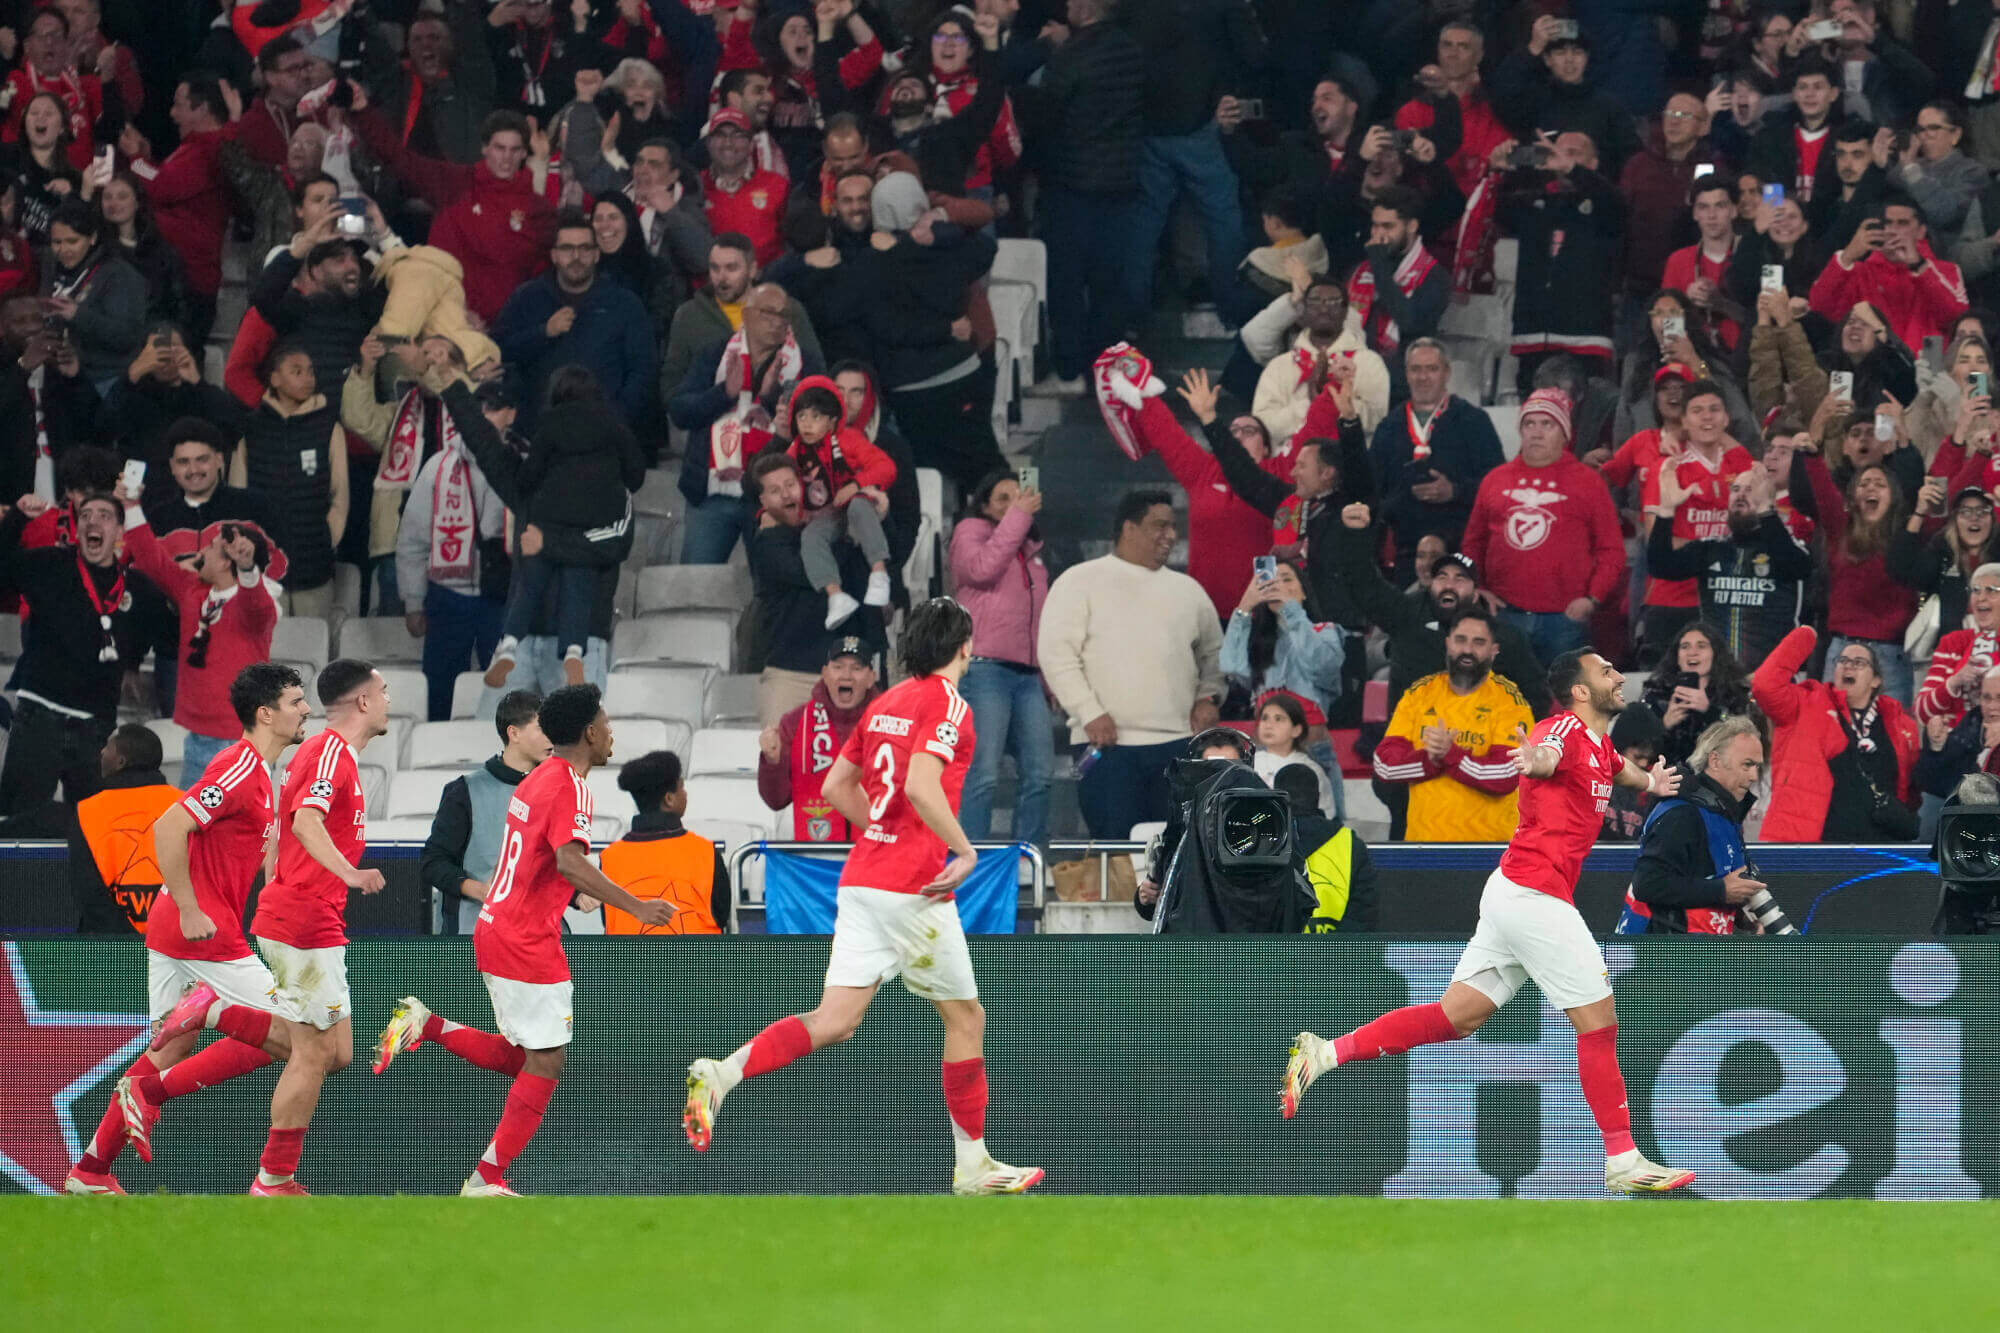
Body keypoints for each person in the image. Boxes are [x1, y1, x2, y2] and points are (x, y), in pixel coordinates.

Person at [1282, 648, 1697, 1195]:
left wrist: (1651, 784)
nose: (1619, 675)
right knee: (1599, 1024)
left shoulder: (1600, 745)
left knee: (1457, 1017)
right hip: (1535, 894)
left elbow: (1618, 769)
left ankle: (1325, 1051)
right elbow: (1548, 755)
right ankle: (1623, 1159)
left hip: (1512, 891)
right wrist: (1535, 762)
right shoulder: (1563, 731)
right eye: (1606, 671)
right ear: (1579, 691)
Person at [681, 597, 1042, 1195]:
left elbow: (833, 786)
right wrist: (964, 851)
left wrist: (881, 825)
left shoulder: (886, 703)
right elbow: (924, 785)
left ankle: (722, 1073)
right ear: (964, 647)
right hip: (911, 887)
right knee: (966, 1017)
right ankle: (973, 1164)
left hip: (864, 879)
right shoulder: (949, 703)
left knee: (836, 1021)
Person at [372, 684, 674, 1196]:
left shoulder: (538, 779)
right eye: (606, 721)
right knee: (547, 1059)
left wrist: (567, 894)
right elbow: (568, 860)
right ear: (589, 732)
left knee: (531, 1055)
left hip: (505, 927)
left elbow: (540, 862)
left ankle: (428, 1025)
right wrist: (636, 906)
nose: (611, 732)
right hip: (523, 936)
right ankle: (485, 1178)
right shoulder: (570, 786)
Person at [62, 664, 308, 1196]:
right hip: (201, 929)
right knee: (296, 1037)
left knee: (169, 1049)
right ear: (266, 714)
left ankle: (92, 1171)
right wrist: (195, 908)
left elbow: (251, 849)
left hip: (176, 929)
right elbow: (171, 825)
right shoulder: (238, 765)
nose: (305, 709)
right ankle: (190, 1037)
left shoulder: (266, 773)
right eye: (296, 701)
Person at [239, 660, 391, 1195]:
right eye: (384, 692)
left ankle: (222, 1012)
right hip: (304, 918)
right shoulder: (329, 752)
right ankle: (273, 1179)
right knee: (313, 1052)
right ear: (365, 703)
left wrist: (276, 886)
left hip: (305, 913)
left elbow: (279, 831)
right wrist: (348, 874)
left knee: (339, 1053)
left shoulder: (328, 755)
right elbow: (304, 819)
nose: (389, 700)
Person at [1039, 490, 1225, 840]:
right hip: (1104, 747)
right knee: (1115, 852)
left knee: (1178, 850)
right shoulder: (1079, 582)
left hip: (1178, 744)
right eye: (1160, 525)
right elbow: (1056, 654)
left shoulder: (1189, 591)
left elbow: (1214, 655)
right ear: (1129, 528)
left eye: (1173, 527)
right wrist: (1089, 711)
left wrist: (1208, 697)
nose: (1171, 535)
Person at [484, 366, 645, 688]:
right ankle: (573, 652)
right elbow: (636, 475)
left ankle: (509, 646)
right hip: (589, 523)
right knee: (578, 588)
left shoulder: (550, 424)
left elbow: (529, 476)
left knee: (530, 585)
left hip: (548, 519)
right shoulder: (614, 426)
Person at [1014, 0, 1141, 390]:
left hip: (1071, 185)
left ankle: (1070, 366)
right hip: (1122, 183)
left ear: (1085, 8)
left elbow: (1044, 116)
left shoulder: (1069, 58)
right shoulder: (1132, 51)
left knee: (1067, 281)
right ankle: (1108, 364)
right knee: (1110, 282)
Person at [0, 489, 150, 814]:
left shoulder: (135, 586)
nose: (92, 521)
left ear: (119, 533)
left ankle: (74, 868)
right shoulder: (49, 563)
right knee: (22, 825)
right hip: (39, 718)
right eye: (85, 515)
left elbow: (156, 629)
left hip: (96, 730)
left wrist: (133, 662)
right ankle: (30, 869)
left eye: (104, 516)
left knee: (92, 832)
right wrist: (16, 519)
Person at [119, 485, 279, 780]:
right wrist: (130, 505)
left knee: (240, 828)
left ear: (224, 561)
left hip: (244, 745)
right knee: (191, 827)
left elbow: (258, 609)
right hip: (198, 740)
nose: (201, 551)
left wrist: (247, 568)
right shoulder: (192, 591)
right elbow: (152, 558)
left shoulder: (254, 602)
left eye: (211, 546)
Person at [1461, 390, 1627, 664]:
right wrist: (1477, 587)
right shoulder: (1494, 480)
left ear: (1565, 433)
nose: (1536, 433)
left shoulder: (1588, 482)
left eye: (1547, 424)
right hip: (1504, 615)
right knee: (1502, 702)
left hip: (1564, 621)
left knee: (1564, 704)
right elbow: (1472, 543)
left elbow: (1611, 550)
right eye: (1530, 424)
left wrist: (1592, 599)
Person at [671, 274, 826, 565]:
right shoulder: (715, 356)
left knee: (770, 587)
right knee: (696, 584)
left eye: (784, 315)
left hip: (772, 499)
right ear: (747, 314)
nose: (777, 321)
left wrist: (771, 396)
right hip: (713, 497)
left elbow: (817, 426)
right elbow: (680, 411)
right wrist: (723, 393)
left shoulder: (805, 364)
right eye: (768, 312)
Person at [948, 471, 1051, 847]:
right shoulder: (970, 532)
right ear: (985, 506)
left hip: (1027, 675)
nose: (1013, 506)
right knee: (984, 773)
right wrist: (1020, 516)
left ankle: (1027, 858)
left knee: (1040, 773)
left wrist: (1046, 678)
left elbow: (1038, 621)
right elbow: (979, 569)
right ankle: (970, 858)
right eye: (1003, 499)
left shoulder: (1030, 555)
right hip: (984, 667)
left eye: (1018, 497)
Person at [1372, 605, 1536, 842]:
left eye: (1478, 642)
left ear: (1494, 651)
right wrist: (1431, 760)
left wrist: (1451, 755)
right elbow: (1384, 765)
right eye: (1461, 640)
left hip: (1490, 850)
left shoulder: (1511, 702)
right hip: (1423, 847)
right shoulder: (1419, 694)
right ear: (1448, 643)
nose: (1467, 650)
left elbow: (1507, 774)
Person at [395, 386, 509, 722]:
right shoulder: (437, 467)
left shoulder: (520, 463)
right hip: (448, 596)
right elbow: (412, 540)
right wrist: (414, 602)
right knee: (440, 690)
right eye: (479, 413)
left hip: (500, 595)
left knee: (506, 695)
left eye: (493, 411)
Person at [745, 452, 883, 727]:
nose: (786, 495)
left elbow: (884, 553)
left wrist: (876, 513)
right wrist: (843, 534)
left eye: (790, 484)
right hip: (790, 674)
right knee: (780, 763)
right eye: (775, 490)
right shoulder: (768, 542)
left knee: (854, 767)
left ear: (805, 485)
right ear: (763, 502)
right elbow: (808, 573)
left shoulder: (832, 529)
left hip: (847, 675)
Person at [1752, 625, 1921, 841]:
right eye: (1842, 661)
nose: (1848, 666)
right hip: (1814, 844)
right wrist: (1805, 636)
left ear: (1876, 680)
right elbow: (1765, 686)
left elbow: (1910, 791)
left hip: (1880, 847)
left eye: (1858, 662)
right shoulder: (1806, 703)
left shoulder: (1902, 724)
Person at [491, 210, 657, 428]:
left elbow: (643, 370)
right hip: (538, 435)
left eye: (585, 248)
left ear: (597, 255)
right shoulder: (527, 298)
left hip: (604, 434)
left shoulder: (624, 302)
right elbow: (498, 352)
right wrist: (543, 333)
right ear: (554, 255)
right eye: (567, 248)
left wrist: (618, 417)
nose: (576, 257)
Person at [1642, 461, 1813, 668]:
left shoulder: (1788, 549)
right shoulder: (1711, 549)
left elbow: (1795, 567)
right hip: (1718, 682)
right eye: (1736, 489)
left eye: (1750, 490)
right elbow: (1660, 566)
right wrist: (1666, 511)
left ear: (1768, 500)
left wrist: (1766, 512)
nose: (1740, 495)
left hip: (1770, 681)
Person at [1634, 380, 1756, 661]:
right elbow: (1658, 540)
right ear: (1684, 421)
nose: (1707, 416)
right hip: (1672, 599)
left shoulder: (1740, 464)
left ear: (1726, 418)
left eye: (1714, 409)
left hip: (1727, 599)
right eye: (1697, 410)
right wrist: (1717, 551)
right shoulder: (1667, 467)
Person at [1365, 338, 1504, 580]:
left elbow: (1497, 486)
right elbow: (1374, 492)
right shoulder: (1389, 427)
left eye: (1432, 369)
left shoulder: (1474, 421)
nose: (1423, 377)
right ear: (1406, 373)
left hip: (1460, 548)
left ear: (1446, 373)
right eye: (1416, 369)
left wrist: (1455, 491)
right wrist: (1402, 499)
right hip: (1405, 552)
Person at [1617, 716, 1768, 935]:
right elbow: (1648, 883)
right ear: (1715, 761)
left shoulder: (1723, 812)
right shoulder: (1683, 812)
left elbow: (1701, 881)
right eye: (1747, 765)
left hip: (1694, 955)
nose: (1754, 776)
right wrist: (1721, 892)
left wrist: (1736, 914)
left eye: (1757, 766)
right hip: (1657, 959)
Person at [230, 342, 348, 619]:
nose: (308, 378)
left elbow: (340, 496)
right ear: (274, 378)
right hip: (263, 569)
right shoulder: (252, 428)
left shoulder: (328, 427)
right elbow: (237, 497)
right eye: (297, 371)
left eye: (310, 372)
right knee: (267, 655)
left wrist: (326, 539)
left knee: (314, 651)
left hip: (314, 569)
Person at [421, 689, 547, 935]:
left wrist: (577, 895)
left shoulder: (555, 792)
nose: (552, 737)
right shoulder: (464, 792)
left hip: (539, 938)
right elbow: (433, 863)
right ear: (514, 733)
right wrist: (480, 890)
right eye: (543, 728)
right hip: (475, 937)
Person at [780, 376, 896, 629]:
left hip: (858, 505)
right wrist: (799, 513)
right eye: (802, 417)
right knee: (810, 536)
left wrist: (854, 485)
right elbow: (788, 487)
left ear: (832, 421)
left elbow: (885, 467)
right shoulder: (794, 452)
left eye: (816, 417)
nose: (807, 424)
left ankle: (879, 573)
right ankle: (835, 596)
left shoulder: (850, 439)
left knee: (857, 506)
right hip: (828, 514)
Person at [1808, 192, 1969, 352]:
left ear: (1921, 231)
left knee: (1977, 376)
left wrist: (1918, 266)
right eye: (1887, 223)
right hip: (1870, 372)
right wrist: (1848, 256)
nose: (1892, 230)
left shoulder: (1947, 270)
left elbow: (1956, 320)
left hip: (1928, 373)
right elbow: (1819, 308)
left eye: (1902, 223)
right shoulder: (1858, 273)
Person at [758, 636, 880, 843]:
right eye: (838, 667)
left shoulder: (894, 722)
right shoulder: (795, 722)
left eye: (857, 668)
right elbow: (776, 800)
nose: (847, 676)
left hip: (877, 859)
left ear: (871, 678)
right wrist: (772, 762)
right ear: (824, 674)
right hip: (816, 863)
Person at [601, 750, 730, 935]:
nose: (685, 794)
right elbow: (721, 915)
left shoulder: (609, 858)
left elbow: (608, 920)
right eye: (682, 787)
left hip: (627, 962)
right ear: (669, 799)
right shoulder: (705, 853)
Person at [1250, 276, 1391, 443]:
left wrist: (1332, 400)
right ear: (1304, 309)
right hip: (1291, 465)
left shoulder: (1368, 362)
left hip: (1347, 461)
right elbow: (1261, 428)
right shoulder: (1280, 366)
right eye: (1315, 302)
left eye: (1333, 302)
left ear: (1346, 311)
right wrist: (1308, 405)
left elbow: (1379, 420)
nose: (1324, 309)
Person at [67, 724, 178, 936]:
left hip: (110, 946)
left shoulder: (88, 811)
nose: (101, 751)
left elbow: (88, 891)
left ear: (120, 761)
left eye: (108, 746)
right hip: (177, 942)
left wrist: (124, 940)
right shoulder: (185, 804)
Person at [41, 196, 144, 393]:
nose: (63, 250)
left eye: (72, 241)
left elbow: (127, 336)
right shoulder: (50, 264)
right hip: (61, 376)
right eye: (57, 242)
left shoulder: (117, 274)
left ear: (93, 238)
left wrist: (78, 315)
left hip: (106, 380)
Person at [1275, 764, 1378, 933]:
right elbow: (1364, 912)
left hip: (1274, 953)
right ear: (1318, 797)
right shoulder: (1350, 842)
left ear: (1276, 796)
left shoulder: (1264, 840)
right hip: (1339, 954)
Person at [1641, 621, 1754, 768]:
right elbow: (1637, 750)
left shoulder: (1735, 693)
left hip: (1718, 779)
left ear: (1715, 654)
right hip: (1667, 780)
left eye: (1701, 646)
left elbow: (1745, 739)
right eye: (1685, 647)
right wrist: (1664, 725)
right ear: (1677, 655)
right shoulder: (1655, 693)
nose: (1692, 652)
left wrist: (1711, 711)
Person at [1915, 564, 2000, 730]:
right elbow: (1922, 713)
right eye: (1976, 590)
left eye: (1991, 590)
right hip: (1959, 747)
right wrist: (1954, 682)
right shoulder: (1953, 643)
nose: (1981, 597)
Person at [1253, 693, 1333, 817]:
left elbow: (1325, 814)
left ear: (1296, 730)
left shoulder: (1310, 769)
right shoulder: (1248, 764)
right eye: (1264, 718)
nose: (1268, 725)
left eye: (1278, 719)